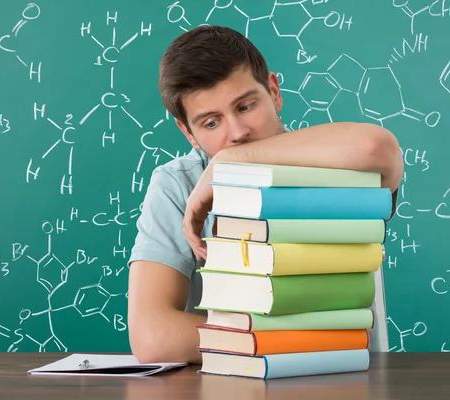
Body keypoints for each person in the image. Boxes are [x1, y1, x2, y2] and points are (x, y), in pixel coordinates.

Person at [127, 25, 403, 364]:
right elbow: (154, 336)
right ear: (188, 132)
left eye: (245, 106)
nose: (238, 133)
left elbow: (377, 148)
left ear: (273, 91)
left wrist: (229, 160)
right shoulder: (178, 184)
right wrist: (292, 343)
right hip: (236, 382)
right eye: (211, 123)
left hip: (345, 377)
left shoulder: (332, 157)